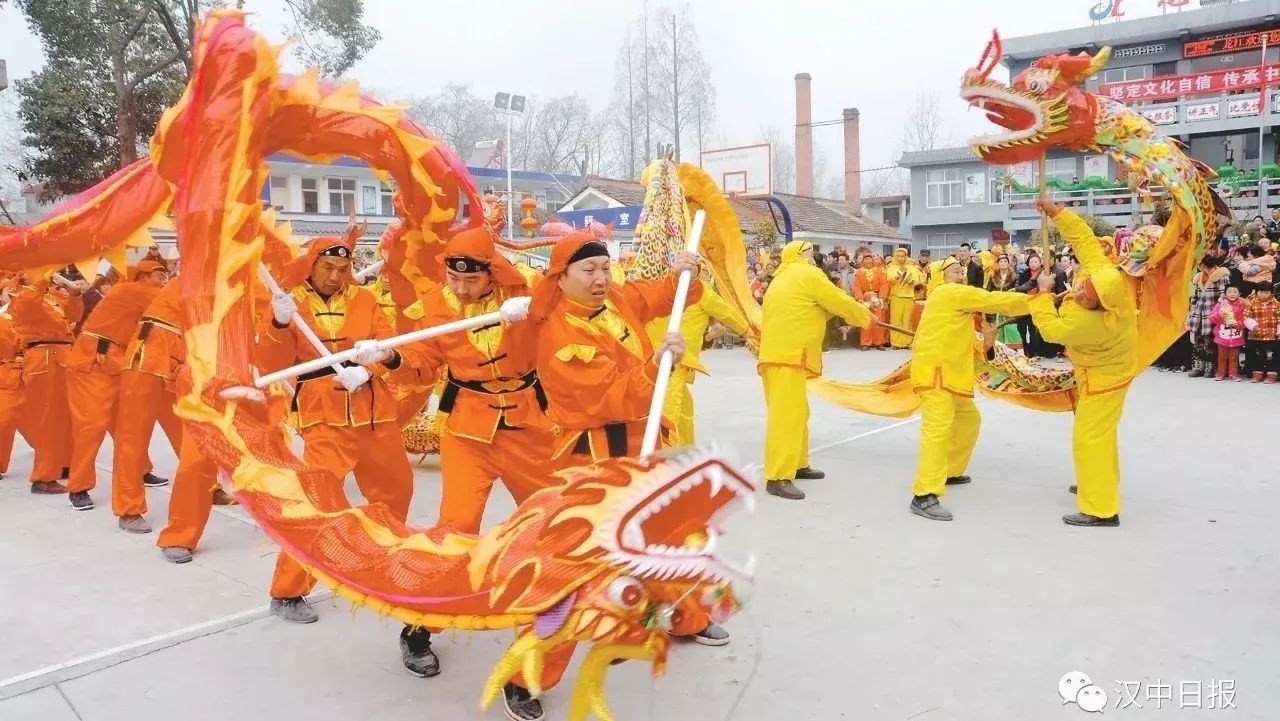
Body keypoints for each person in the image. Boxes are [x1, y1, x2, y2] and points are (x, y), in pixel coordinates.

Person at [258, 229, 415, 627]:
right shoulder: (289, 305)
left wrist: (368, 368)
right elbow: (272, 364)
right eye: (327, 266)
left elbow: (387, 343)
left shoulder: (364, 298)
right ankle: (288, 590)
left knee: (395, 494)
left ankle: (383, 563)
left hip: (374, 410)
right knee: (319, 502)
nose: (335, 275)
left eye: (343, 268)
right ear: (311, 265)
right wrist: (277, 324)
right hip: (323, 417)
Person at [1033, 197, 1138, 527]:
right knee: (1102, 434)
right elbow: (1084, 239)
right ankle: (1099, 480)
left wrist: (1041, 295)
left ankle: (1100, 509)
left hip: (1105, 378)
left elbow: (1051, 330)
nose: (1079, 294)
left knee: (1089, 436)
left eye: (1086, 299)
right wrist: (1058, 213)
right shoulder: (1101, 271)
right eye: (1082, 288)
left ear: (1104, 305)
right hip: (1096, 372)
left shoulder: (1097, 323)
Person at [908, 256, 1029, 521]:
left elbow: (976, 347)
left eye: (961, 270)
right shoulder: (948, 293)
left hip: (950, 375)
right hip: (936, 374)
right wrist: (1037, 297)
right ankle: (924, 494)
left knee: (968, 420)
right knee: (936, 431)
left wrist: (988, 340)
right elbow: (993, 299)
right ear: (940, 276)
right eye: (953, 270)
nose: (960, 274)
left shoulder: (954, 304)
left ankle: (949, 471)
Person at [757, 240, 871, 501]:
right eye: (811, 254)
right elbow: (837, 299)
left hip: (779, 356)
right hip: (788, 356)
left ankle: (797, 464)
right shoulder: (807, 274)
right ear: (803, 255)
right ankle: (777, 476)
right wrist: (863, 316)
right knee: (786, 417)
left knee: (797, 413)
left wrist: (854, 315)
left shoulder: (782, 278)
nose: (814, 258)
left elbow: (813, 309)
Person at [62, 260, 170, 512]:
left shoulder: (140, 293)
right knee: (93, 425)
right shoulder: (130, 290)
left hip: (117, 362)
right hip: (91, 362)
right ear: (142, 275)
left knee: (128, 424)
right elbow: (175, 302)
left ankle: (139, 470)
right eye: (159, 274)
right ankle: (78, 485)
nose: (164, 278)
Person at [647, 268, 750, 445]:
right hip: (674, 358)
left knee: (684, 409)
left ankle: (685, 452)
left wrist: (709, 336)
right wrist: (746, 331)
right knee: (668, 410)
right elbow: (726, 312)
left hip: (658, 353)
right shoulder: (700, 290)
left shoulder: (666, 286)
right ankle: (665, 457)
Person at [9, 274, 82, 493]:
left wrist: (75, 294)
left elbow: (74, 315)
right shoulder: (22, 297)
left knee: (67, 416)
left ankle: (63, 463)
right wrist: (42, 275)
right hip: (44, 357)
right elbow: (31, 300)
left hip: (63, 355)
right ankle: (43, 477)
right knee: (48, 419)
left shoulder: (52, 297)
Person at [1186, 255, 1230, 378]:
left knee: (1210, 341)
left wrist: (1219, 311)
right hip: (1198, 313)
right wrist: (1193, 308)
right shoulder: (1199, 277)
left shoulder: (1221, 275)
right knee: (1198, 340)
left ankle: (1209, 368)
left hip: (1212, 312)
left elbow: (1223, 295)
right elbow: (1195, 295)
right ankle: (1198, 367)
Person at [1243, 283, 1279, 383]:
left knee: (1271, 355)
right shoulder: (1251, 303)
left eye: (1266, 292)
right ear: (1256, 292)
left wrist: (1279, 331)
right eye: (1261, 292)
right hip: (1255, 336)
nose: (1264, 295)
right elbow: (1246, 317)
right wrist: (1253, 326)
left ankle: (1271, 374)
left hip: (1272, 335)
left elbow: (1279, 318)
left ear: (1271, 292)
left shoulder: (1276, 304)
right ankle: (1257, 373)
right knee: (1256, 355)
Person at [1015, 253, 1049, 358]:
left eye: (1035, 261)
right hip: (1026, 304)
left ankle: (1036, 351)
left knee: (1034, 329)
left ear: (1040, 263)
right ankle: (1026, 350)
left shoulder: (1044, 273)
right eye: (1031, 262)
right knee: (1023, 329)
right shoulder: (1023, 274)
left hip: (1039, 304)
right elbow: (1020, 288)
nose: (1033, 264)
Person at [852, 253, 888, 350]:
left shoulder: (879, 271)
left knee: (879, 320)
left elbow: (884, 284)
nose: (868, 261)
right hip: (865, 298)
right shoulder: (859, 273)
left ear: (872, 260)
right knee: (866, 319)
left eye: (869, 259)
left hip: (877, 297)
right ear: (863, 261)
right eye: (866, 259)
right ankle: (865, 343)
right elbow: (857, 287)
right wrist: (860, 299)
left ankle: (879, 342)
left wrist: (882, 297)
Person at [886, 248, 921, 348]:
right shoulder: (892, 267)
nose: (900, 258)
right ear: (895, 257)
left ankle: (907, 342)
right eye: (898, 256)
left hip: (908, 296)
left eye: (902, 256)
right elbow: (889, 280)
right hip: (896, 296)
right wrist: (897, 277)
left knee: (907, 320)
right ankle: (895, 342)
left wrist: (911, 281)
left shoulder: (912, 267)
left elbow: (917, 280)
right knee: (896, 320)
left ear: (906, 256)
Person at [1209, 286, 1246, 382]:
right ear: (1225, 294)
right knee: (1222, 357)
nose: (1232, 294)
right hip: (1222, 336)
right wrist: (1219, 315)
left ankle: (1233, 374)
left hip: (1236, 335)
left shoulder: (1242, 305)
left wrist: (1238, 324)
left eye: (1235, 292)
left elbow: (1245, 319)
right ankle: (1221, 373)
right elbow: (1211, 317)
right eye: (1229, 292)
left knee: (1234, 357)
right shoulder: (1220, 304)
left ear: (1239, 294)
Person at [986, 255, 1023, 348]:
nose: (1003, 263)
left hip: (1010, 306)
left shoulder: (1015, 276)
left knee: (1011, 328)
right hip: (997, 307)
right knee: (998, 328)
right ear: (998, 264)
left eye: (1005, 261)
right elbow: (988, 290)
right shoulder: (993, 276)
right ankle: (1000, 348)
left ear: (1008, 263)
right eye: (1001, 261)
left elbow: (1018, 290)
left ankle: (1013, 349)